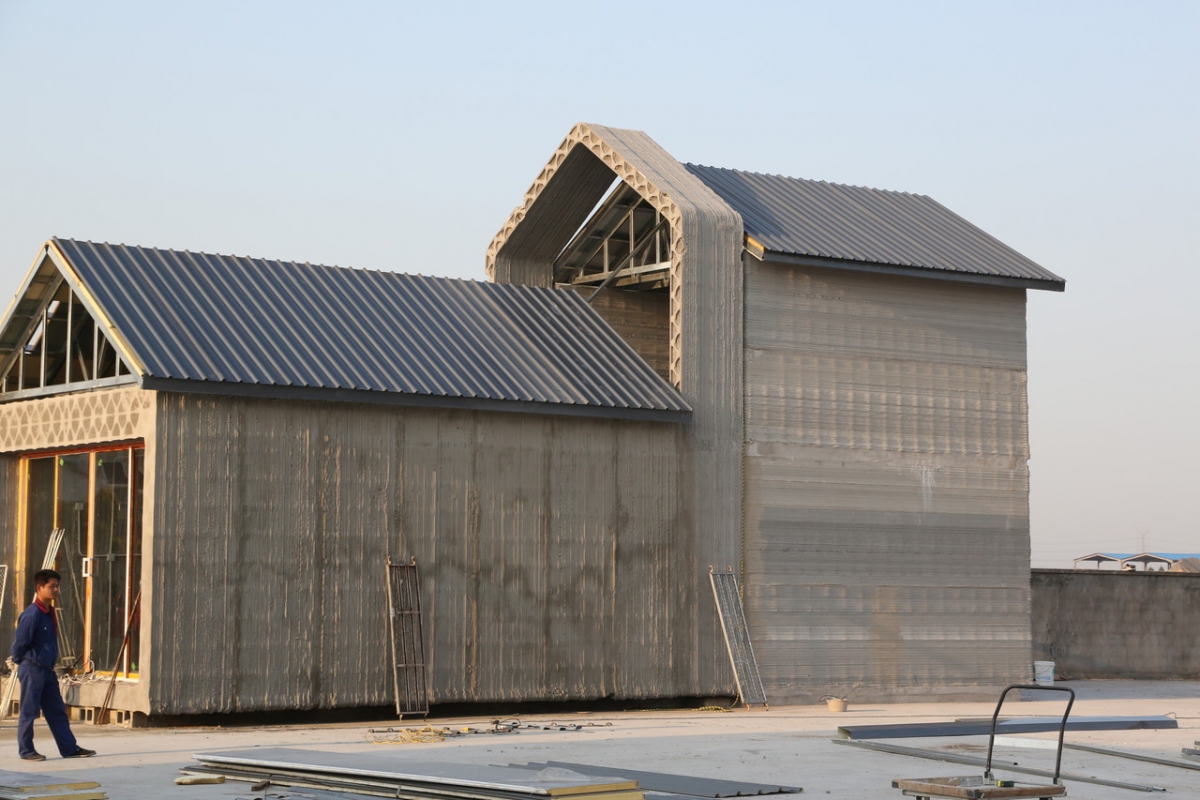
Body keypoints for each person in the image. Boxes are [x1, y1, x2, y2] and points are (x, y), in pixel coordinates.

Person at [11, 569, 95, 761]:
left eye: (57, 586)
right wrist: (22, 663)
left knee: (57, 711)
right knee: (29, 711)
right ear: (39, 588)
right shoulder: (32, 614)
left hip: (48, 671)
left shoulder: (49, 613)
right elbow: (20, 643)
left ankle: (69, 748)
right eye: (52, 586)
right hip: (33, 668)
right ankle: (27, 751)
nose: (56, 589)